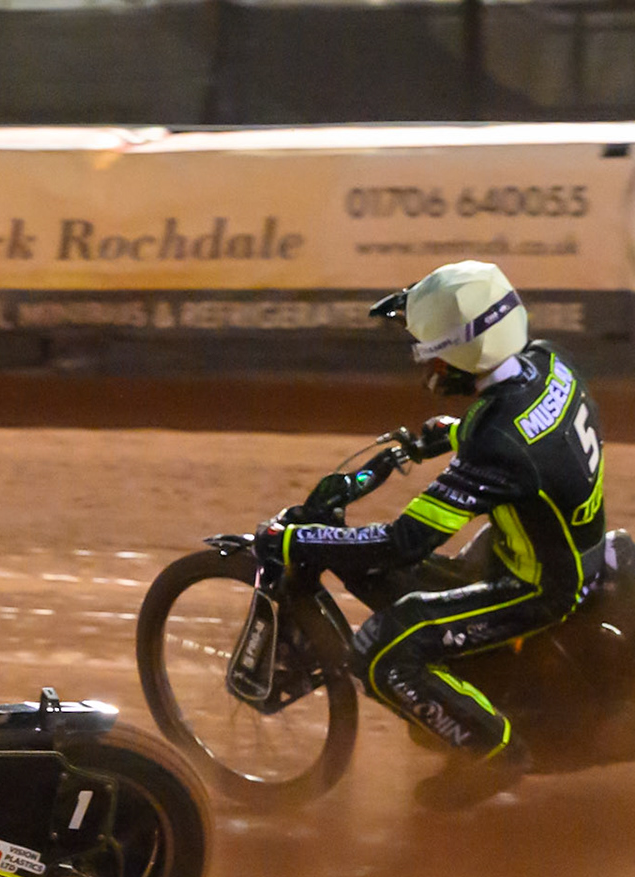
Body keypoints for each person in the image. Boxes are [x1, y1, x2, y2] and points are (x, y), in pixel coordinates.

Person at [254, 261, 606, 809]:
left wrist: (295, 543)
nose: (429, 362)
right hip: (557, 543)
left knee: (380, 652)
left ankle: (497, 754)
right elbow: (528, 432)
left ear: (468, 353)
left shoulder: (498, 442)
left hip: (541, 584)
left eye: (435, 350)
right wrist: (455, 434)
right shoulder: (548, 361)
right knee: (419, 590)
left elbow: (404, 541)